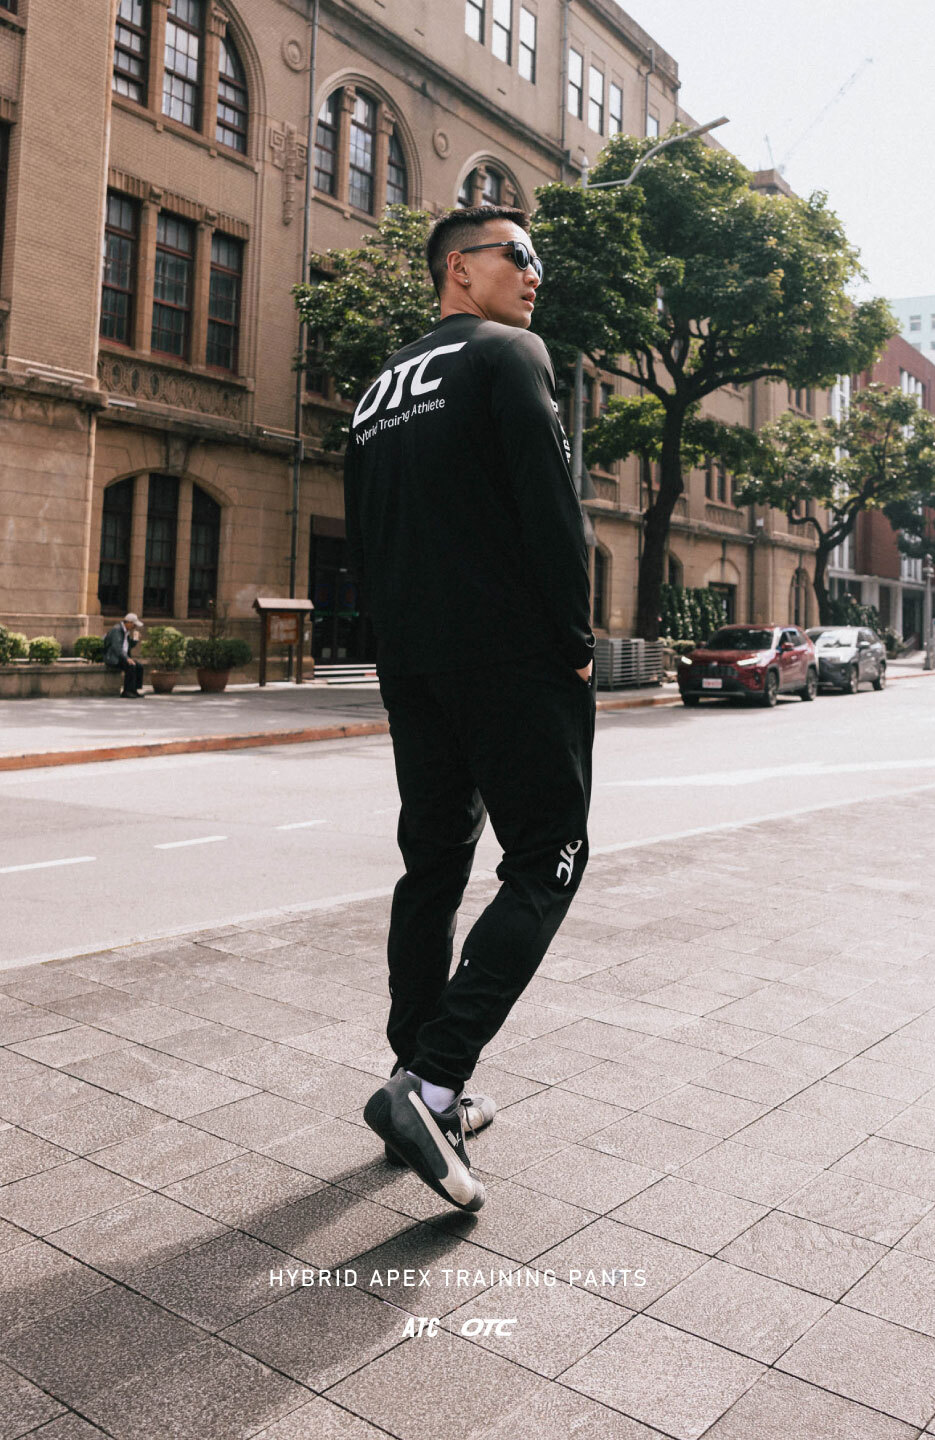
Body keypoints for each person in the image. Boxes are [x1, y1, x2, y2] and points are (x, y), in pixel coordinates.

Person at [346, 205, 596, 1212]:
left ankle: (414, 1090)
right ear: (459, 267)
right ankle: (435, 1080)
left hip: (413, 663)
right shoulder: (507, 352)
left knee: (434, 865)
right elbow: (549, 503)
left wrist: (395, 651)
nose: (534, 275)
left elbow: (366, 535)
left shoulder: (375, 390)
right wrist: (575, 641)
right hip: (510, 657)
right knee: (549, 858)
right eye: (518, 255)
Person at [104, 613, 143, 697]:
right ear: (128, 622)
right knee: (131, 666)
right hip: (114, 658)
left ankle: (134, 690)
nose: (134, 627)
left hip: (122, 657)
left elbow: (128, 646)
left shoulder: (126, 632)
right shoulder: (117, 630)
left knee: (139, 666)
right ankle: (127, 691)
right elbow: (116, 647)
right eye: (134, 625)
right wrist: (126, 658)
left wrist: (135, 639)